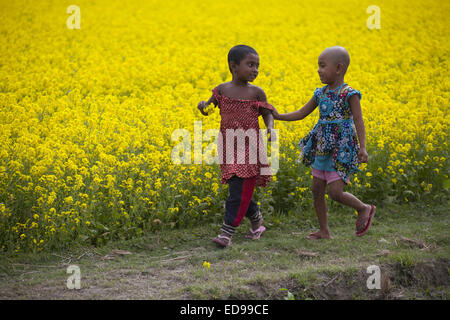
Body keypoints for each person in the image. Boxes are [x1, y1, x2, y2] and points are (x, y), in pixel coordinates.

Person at [272, 46, 375, 239]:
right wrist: (278, 116)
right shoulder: (320, 93)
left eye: (322, 66)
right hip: (322, 147)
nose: (318, 70)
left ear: (338, 68)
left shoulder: (349, 94)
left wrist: (362, 147)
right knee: (317, 189)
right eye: (318, 66)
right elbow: (301, 113)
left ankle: (364, 208)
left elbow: (358, 120)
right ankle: (324, 230)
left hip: (341, 148)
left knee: (336, 192)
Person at [197, 45, 275, 247]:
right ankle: (257, 221)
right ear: (233, 66)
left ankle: (226, 233)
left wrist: (270, 128)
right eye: (250, 65)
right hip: (229, 145)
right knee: (238, 189)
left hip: (250, 146)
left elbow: (267, 113)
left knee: (238, 192)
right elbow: (208, 108)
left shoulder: (257, 92)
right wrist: (203, 108)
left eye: (257, 66)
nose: (255, 69)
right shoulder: (222, 90)